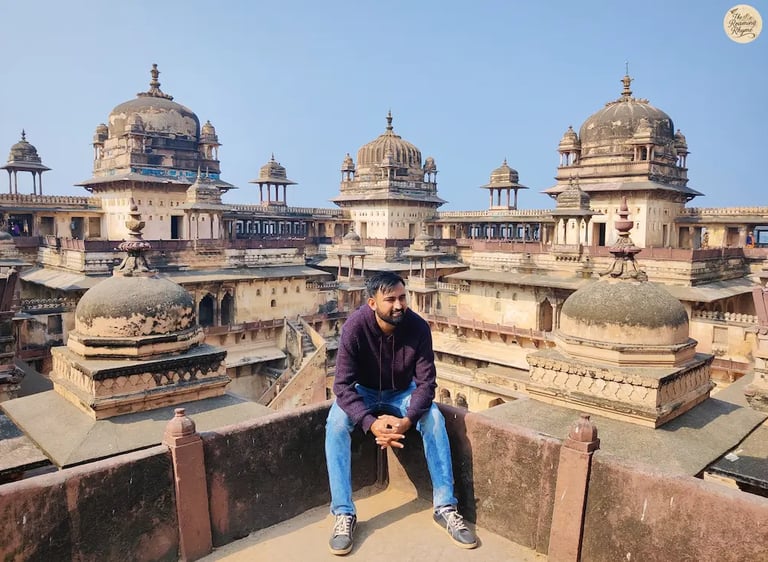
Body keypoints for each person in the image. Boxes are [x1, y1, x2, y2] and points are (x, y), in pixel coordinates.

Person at [325, 271, 477, 556]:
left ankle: (445, 507)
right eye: (390, 299)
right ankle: (344, 513)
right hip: (365, 391)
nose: (399, 305)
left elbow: (426, 383)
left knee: (433, 418)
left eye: (402, 298)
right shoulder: (354, 328)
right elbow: (342, 386)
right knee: (335, 423)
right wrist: (371, 424)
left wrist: (407, 421)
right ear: (372, 303)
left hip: (401, 393)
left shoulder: (417, 328)